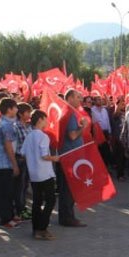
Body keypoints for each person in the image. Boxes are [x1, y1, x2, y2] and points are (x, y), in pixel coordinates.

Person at [21, 110, 59, 240]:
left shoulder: (29, 135)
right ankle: (42, 228)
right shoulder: (43, 136)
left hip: (34, 173)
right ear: (40, 120)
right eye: (46, 119)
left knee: (37, 202)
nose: (47, 122)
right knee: (50, 200)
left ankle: (36, 229)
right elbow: (44, 155)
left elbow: (23, 152)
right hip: (44, 173)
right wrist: (54, 158)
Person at [57, 89, 87, 227]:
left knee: (67, 189)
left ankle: (67, 216)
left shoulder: (68, 112)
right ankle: (67, 218)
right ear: (69, 98)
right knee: (68, 190)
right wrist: (83, 128)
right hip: (70, 156)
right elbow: (73, 135)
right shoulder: (69, 113)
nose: (80, 100)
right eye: (77, 97)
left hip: (69, 155)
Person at [0, 98, 20, 228]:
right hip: (2, 162)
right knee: (5, 192)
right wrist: (15, 165)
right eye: (15, 107)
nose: (17, 110)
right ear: (9, 109)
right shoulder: (6, 125)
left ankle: (10, 215)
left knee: (8, 190)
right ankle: (6, 220)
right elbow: (8, 147)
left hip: (2, 162)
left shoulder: (3, 122)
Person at [14, 102, 33, 220]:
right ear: (21, 114)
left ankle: (22, 206)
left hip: (27, 160)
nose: (29, 114)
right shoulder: (16, 126)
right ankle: (19, 209)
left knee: (24, 185)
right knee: (19, 186)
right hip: (20, 159)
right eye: (28, 112)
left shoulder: (27, 125)